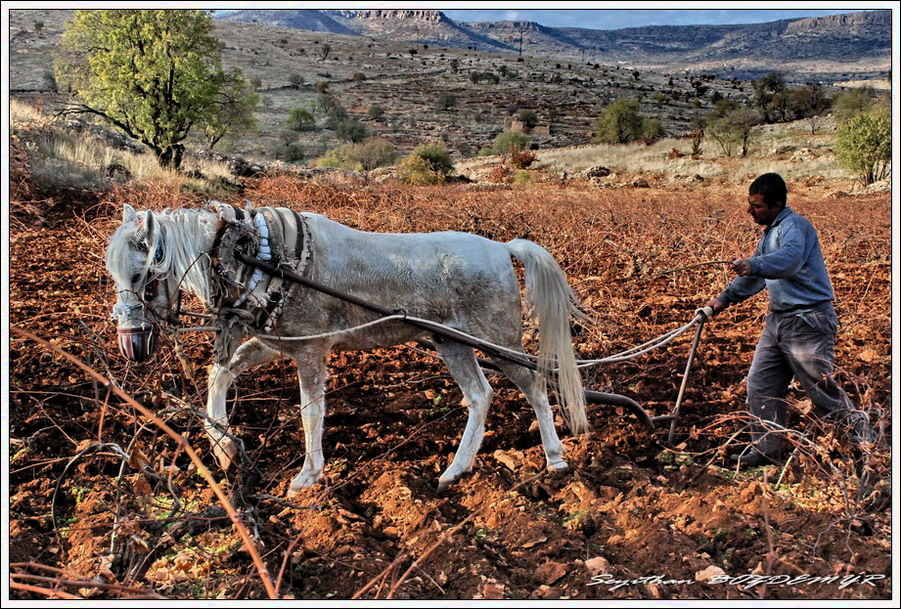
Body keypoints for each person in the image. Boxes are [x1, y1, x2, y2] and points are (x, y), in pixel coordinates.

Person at [706, 173, 873, 467]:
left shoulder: (794, 228)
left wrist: (753, 263)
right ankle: (766, 451)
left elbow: (788, 260)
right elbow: (757, 275)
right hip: (779, 321)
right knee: (761, 386)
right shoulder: (771, 232)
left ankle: (871, 448)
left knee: (821, 392)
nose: (750, 211)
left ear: (777, 205)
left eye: (756, 206)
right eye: (750, 204)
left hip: (807, 321)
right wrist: (721, 301)